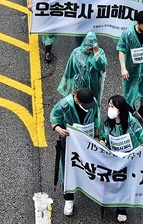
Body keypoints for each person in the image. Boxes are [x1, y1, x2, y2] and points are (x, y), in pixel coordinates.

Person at [100, 95, 143, 222]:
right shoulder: (108, 123)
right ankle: (110, 200)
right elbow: (103, 135)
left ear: (120, 109)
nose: (110, 109)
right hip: (113, 159)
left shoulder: (131, 121)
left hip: (129, 159)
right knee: (112, 182)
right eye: (109, 106)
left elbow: (140, 133)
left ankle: (122, 209)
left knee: (125, 184)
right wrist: (102, 141)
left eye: (113, 106)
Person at [50, 88, 100, 217]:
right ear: (77, 100)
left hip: (86, 143)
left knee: (87, 167)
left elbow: (96, 117)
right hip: (70, 144)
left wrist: (97, 136)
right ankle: (69, 199)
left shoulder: (91, 102)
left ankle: (86, 187)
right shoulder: (64, 105)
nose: (88, 108)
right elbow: (53, 120)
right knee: (68, 171)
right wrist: (59, 129)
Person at [117, 10, 143, 127]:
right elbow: (121, 50)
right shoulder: (128, 34)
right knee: (129, 92)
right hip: (131, 68)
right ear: (137, 22)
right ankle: (130, 112)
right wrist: (123, 68)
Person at [57, 32, 107, 103]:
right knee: (78, 103)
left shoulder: (99, 52)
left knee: (91, 104)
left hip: (93, 86)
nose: (89, 51)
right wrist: (65, 80)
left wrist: (96, 54)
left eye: (91, 49)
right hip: (79, 85)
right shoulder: (76, 52)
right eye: (88, 48)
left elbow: (101, 66)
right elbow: (70, 67)